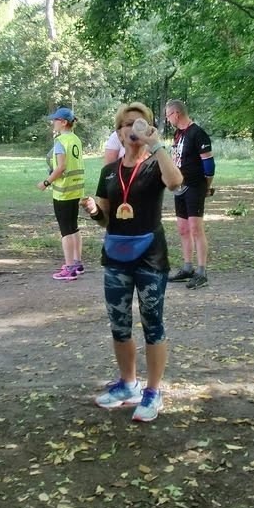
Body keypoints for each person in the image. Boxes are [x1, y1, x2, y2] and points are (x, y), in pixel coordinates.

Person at [83, 102, 184, 422]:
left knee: (153, 324)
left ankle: (153, 391)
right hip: (116, 258)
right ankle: (128, 385)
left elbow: (175, 182)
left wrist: (157, 145)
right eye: (125, 124)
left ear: (149, 127)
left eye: (139, 123)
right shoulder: (108, 172)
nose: (132, 128)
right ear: (118, 132)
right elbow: (105, 217)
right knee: (119, 324)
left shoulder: (156, 164)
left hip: (151, 258)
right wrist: (94, 212)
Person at [164, 99, 215, 289]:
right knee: (183, 228)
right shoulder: (178, 134)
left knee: (196, 228)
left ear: (176, 114)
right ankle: (187, 268)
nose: (168, 119)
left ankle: (202, 272)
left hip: (195, 185)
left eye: (168, 115)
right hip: (180, 186)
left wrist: (206, 186)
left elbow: (209, 164)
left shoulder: (198, 133)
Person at [38, 107, 85, 281]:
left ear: (64, 122)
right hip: (76, 189)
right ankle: (77, 263)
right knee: (74, 227)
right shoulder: (75, 139)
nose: (53, 122)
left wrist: (45, 182)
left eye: (55, 120)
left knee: (66, 231)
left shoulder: (60, 141)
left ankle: (69, 269)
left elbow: (61, 167)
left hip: (63, 192)